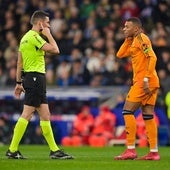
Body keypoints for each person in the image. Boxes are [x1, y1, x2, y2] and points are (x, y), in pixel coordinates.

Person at [5, 10, 73, 159]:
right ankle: (12, 149)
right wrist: (48, 34)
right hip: (35, 78)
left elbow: (19, 63)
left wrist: (18, 82)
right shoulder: (35, 37)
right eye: (47, 22)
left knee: (45, 115)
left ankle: (54, 151)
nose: (49, 25)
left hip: (31, 78)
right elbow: (56, 50)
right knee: (27, 114)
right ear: (40, 23)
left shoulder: (24, 39)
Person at [114, 17, 160, 160]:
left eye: (127, 27)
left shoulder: (142, 38)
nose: (124, 29)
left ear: (136, 28)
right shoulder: (134, 40)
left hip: (143, 82)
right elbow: (120, 54)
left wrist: (146, 78)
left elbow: (153, 57)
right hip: (151, 82)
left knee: (127, 111)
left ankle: (130, 150)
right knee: (148, 115)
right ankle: (153, 152)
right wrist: (128, 38)